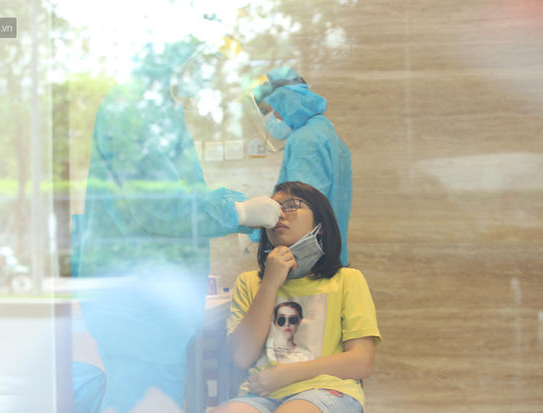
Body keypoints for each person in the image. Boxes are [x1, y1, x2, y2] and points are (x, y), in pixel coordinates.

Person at [76, 38, 281, 413]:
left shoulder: (162, 111)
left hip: (153, 303)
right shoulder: (133, 108)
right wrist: (237, 213)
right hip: (138, 302)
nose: (210, 76)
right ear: (178, 56)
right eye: (206, 63)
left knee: (146, 398)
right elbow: (160, 206)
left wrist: (240, 214)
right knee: (144, 402)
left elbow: (187, 195)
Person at [213, 181, 381, 413]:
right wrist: (270, 284)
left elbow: (362, 361)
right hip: (260, 395)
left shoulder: (347, 280)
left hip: (327, 390)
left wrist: (287, 373)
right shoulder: (249, 282)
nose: (279, 214)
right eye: (274, 208)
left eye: (292, 205)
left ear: (320, 225)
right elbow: (241, 357)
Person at [251, 67, 353, 267]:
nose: (270, 118)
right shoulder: (323, 133)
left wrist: (255, 227)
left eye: (268, 110)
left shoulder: (306, 140)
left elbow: (299, 206)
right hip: (328, 254)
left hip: (309, 260)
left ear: (285, 101)